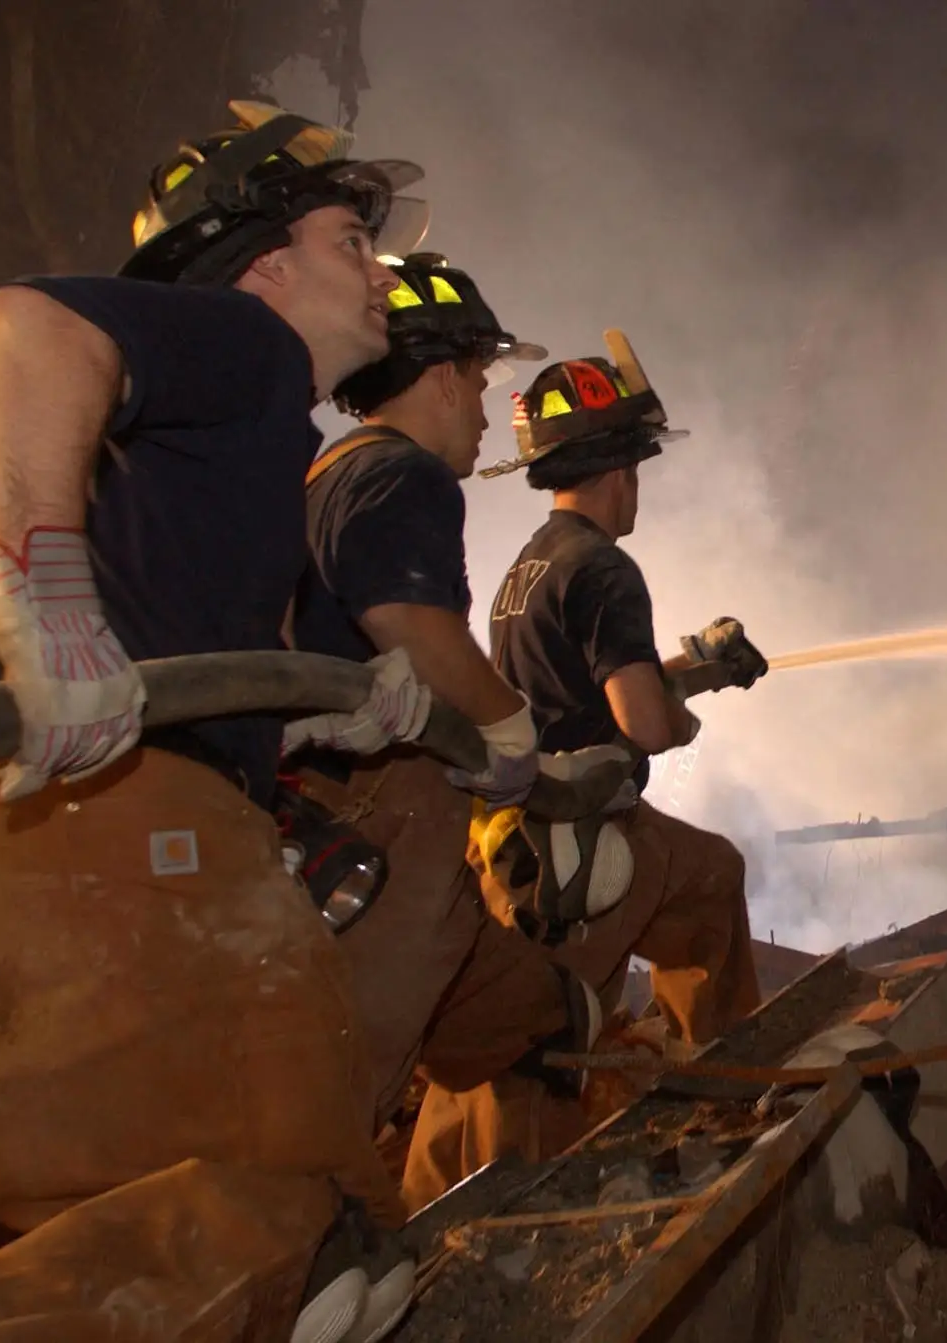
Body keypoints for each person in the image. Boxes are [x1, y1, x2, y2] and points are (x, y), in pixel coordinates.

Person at [0, 101, 431, 1343]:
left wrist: (325, 711)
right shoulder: (244, 342)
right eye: (353, 237)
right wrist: (44, 594)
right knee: (285, 1216)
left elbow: (178, 638)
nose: (379, 269)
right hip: (87, 818)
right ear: (266, 262)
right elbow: (31, 325)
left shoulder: (241, 448)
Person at [400, 340, 767, 1205]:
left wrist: (697, 664)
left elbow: (573, 688)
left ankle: (424, 1194)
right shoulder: (607, 568)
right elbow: (641, 720)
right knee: (545, 1032)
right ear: (623, 469)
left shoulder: (527, 566)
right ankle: (714, 1099)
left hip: (513, 836)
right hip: (582, 840)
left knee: (498, 1017)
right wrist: (681, 714)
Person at [286, 253, 615, 1189]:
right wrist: (510, 732)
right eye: (476, 381)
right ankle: (323, 1239)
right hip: (386, 819)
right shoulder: (406, 477)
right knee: (360, 1064)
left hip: (350, 812)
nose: (481, 408)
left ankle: (489, 1215)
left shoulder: (329, 469)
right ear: (438, 377)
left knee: (530, 1021)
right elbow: (413, 622)